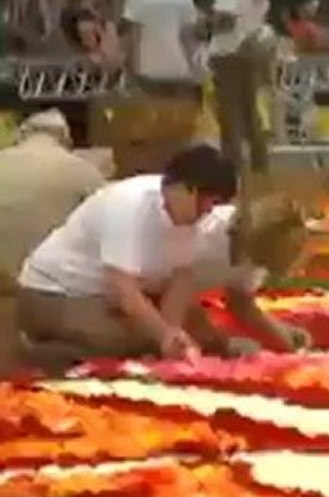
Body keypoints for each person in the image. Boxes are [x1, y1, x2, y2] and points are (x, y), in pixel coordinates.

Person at [16, 144, 237, 371]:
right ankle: (38, 351)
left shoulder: (191, 218)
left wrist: (172, 334)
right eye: (207, 200)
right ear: (183, 188)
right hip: (54, 291)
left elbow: (181, 279)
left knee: (181, 330)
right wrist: (162, 335)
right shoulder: (129, 204)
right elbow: (123, 291)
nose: (209, 210)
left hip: (105, 298)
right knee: (126, 340)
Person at [188, 194, 313, 354]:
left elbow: (241, 303)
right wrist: (222, 343)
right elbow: (176, 298)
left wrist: (286, 336)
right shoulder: (208, 243)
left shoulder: (255, 251)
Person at [0, 110, 107, 288]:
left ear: (22, 133)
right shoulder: (80, 169)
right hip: (41, 278)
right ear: (65, 138)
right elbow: (108, 211)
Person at [208, 0, 273, 173]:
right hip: (254, 46)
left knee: (231, 118)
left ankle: (234, 175)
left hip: (229, 52)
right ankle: (260, 172)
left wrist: (201, 25)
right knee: (253, 115)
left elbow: (226, 18)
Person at [122, 0, 202, 99]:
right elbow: (187, 38)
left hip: (147, 66)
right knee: (177, 113)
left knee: (150, 113)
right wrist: (193, 69)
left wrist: (132, 69)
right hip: (178, 67)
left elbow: (134, 37)